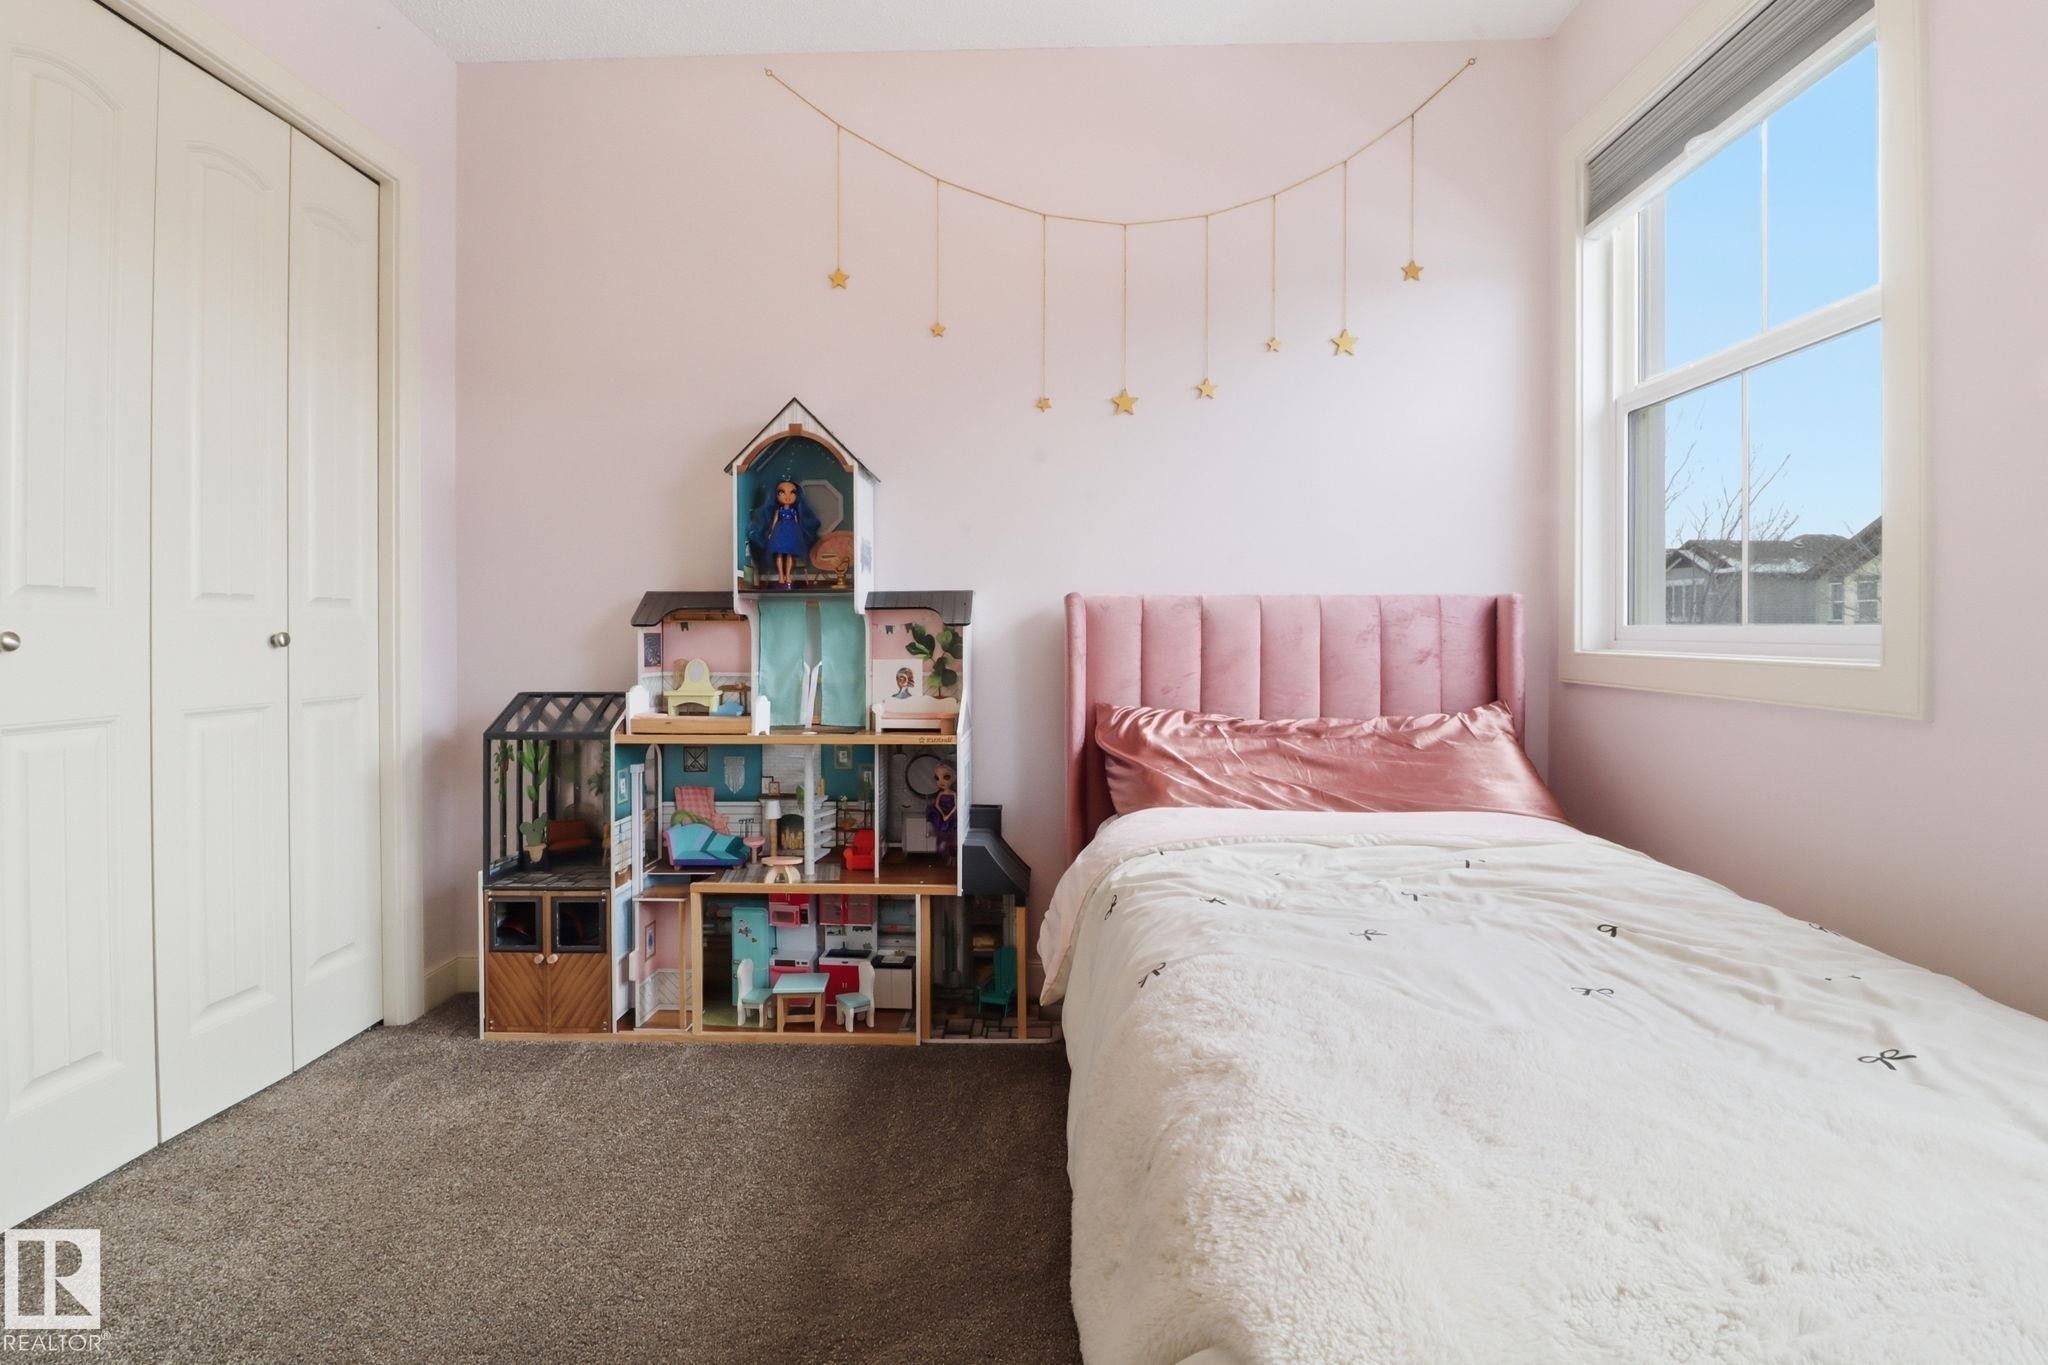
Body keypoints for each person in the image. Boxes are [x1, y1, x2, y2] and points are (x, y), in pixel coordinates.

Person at [748, 478, 819, 588]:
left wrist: (799, 534)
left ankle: (788, 575)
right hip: (780, 532)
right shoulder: (779, 511)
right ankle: (781, 575)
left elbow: (796, 521)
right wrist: (771, 532)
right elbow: (775, 522)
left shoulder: (794, 511)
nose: (787, 496)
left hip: (791, 532)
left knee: (789, 555)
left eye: (792, 492)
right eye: (782, 492)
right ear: (775, 495)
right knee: (780, 554)